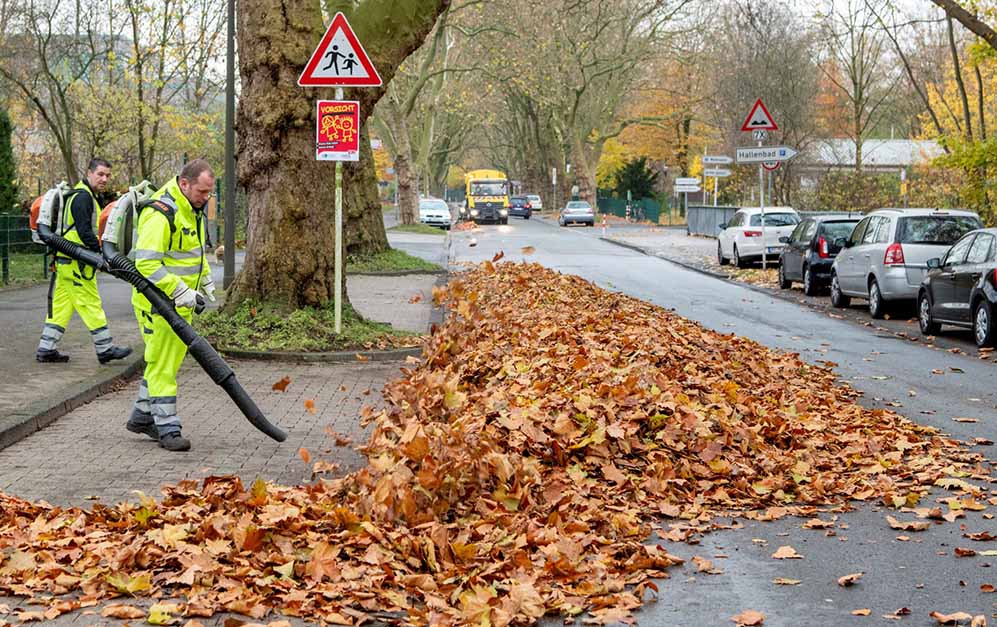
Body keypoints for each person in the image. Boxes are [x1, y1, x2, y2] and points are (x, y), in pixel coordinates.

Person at [126, 159, 217, 452]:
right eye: (202, 191)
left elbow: (193, 252)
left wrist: (204, 280)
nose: (206, 198)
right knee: (163, 366)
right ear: (184, 183)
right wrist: (180, 290)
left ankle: (142, 417)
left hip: (179, 304)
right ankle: (167, 428)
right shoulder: (161, 212)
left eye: (209, 193)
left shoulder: (192, 209)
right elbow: (147, 263)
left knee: (164, 362)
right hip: (159, 304)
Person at [36, 158, 133, 364]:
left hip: (66, 263)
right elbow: (84, 232)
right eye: (100, 174)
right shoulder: (83, 197)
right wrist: (103, 252)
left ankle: (46, 348)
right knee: (91, 304)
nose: (104, 179)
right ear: (89, 173)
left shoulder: (80, 194)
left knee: (61, 307)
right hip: (76, 264)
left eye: (107, 175)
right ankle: (105, 348)